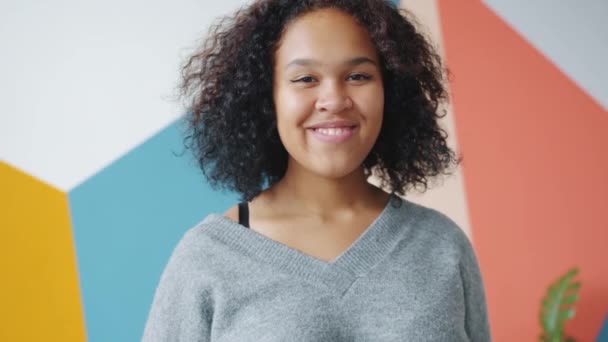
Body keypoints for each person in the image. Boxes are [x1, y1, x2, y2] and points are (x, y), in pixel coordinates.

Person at [143, 0, 491, 341]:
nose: (334, 99)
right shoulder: (207, 259)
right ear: (268, 97)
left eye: (358, 75)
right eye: (306, 78)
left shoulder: (443, 247)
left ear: (391, 90)